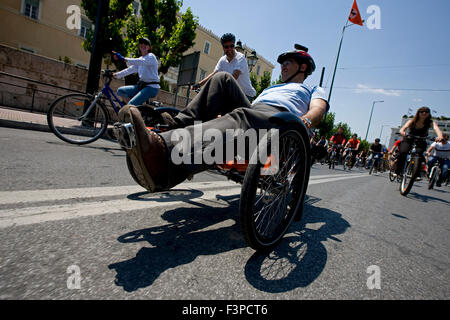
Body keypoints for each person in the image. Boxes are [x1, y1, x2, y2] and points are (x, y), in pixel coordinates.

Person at [115, 45, 329, 193]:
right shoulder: (272, 87)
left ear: (302, 67)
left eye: (288, 62)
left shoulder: (311, 89)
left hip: (282, 125)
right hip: (255, 114)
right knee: (222, 78)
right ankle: (174, 126)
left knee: (244, 117)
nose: (282, 66)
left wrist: (304, 122)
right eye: (282, 63)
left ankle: (161, 151)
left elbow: (318, 110)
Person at [193, 33, 256, 101]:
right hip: (231, 93)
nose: (229, 49)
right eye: (226, 47)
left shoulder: (240, 57)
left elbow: (233, 78)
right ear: (223, 48)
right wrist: (199, 84)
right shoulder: (222, 60)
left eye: (231, 46)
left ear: (234, 46)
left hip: (245, 94)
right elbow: (214, 75)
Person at [395, 107, 444, 176]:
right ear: (418, 113)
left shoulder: (430, 122)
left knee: (419, 154)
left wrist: (440, 136)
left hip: (421, 140)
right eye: (422, 111)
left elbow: (436, 129)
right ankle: (398, 170)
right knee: (403, 152)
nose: (424, 113)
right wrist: (402, 131)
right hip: (409, 139)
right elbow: (403, 128)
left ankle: (416, 174)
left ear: (428, 114)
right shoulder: (411, 121)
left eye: (426, 112)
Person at [112, 37, 160, 106]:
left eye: (145, 44)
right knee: (120, 91)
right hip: (142, 86)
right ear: (139, 47)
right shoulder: (140, 59)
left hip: (151, 88)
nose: (143, 45)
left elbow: (141, 62)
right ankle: (133, 110)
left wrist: (123, 59)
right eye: (141, 44)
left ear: (149, 47)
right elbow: (129, 70)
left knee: (131, 104)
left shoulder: (151, 56)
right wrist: (115, 75)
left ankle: (131, 108)